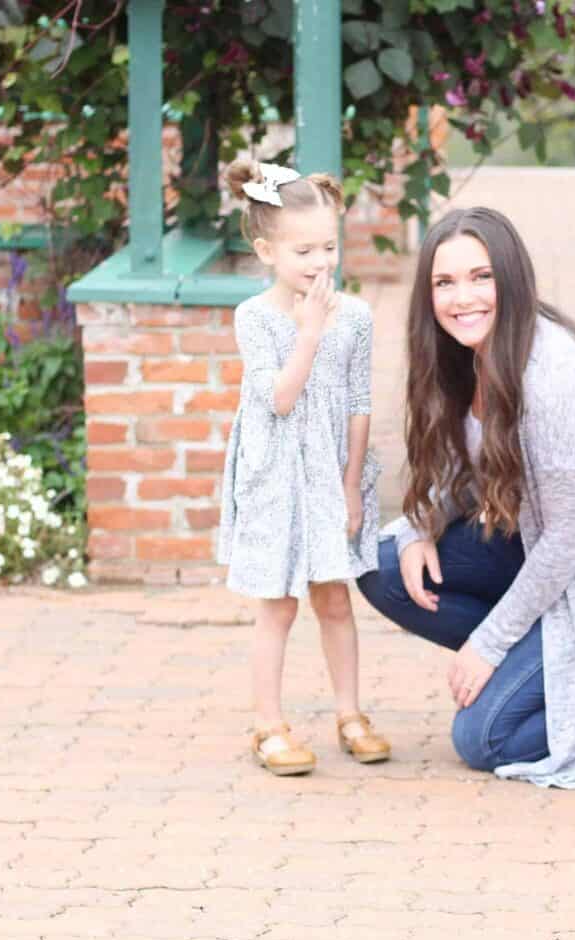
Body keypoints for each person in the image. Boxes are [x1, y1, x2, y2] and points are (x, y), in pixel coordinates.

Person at [357, 207, 575, 787]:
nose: (461, 297)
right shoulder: (469, 352)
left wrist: (489, 647)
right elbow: (468, 468)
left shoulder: (556, 377)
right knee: (385, 565)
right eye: (445, 283)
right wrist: (423, 526)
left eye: (480, 277)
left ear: (512, 280)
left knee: (485, 738)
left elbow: (573, 537)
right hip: (548, 545)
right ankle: (549, 663)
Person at [217, 161, 390, 776]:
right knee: (278, 604)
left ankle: (350, 713)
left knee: (334, 598)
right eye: (303, 250)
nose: (320, 262)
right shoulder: (255, 318)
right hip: (272, 478)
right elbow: (279, 399)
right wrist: (310, 332)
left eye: (329, 247)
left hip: (327, 475)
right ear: (266, 250)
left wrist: (350, 488)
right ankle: (269, 725)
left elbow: (359, 403)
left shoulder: (357, 317)